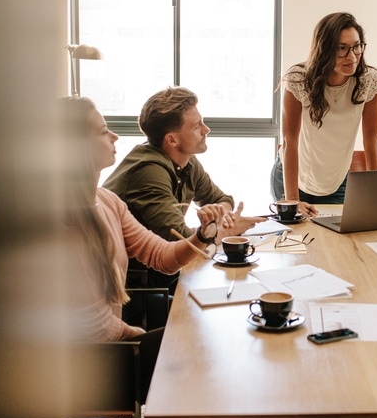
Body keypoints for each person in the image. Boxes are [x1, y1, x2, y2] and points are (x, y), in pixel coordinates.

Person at [63, 96, 288, 418]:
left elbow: (162, 257)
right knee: (200, 351)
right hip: (85, 367)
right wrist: (141, 338)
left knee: (209, 341)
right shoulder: (55, 218)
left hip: (116, 344)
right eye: (104, 131)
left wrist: (202, 235)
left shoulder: (106, 202)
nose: (115, 138)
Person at [103, 86, 264, 299]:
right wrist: (226, 232)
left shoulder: (185, 160)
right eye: (197, 126)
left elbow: (221, 199)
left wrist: (221, 216)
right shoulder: (148, 172)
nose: (206, 130)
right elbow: (185, 242)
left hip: (163, 271)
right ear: (172, 140)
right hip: (132, 288)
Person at [272, 12, 377, 216]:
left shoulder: (369, 81)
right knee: (294, 243)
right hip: (291, 178)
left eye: (357, 46)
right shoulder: (298, 79)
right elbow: (289, 141)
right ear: (324, 49)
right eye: (342, 48)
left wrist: (375, 197)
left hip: (337, 181)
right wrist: (292, 199)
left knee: (338, 243)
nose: (352, 57)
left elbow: (372, 143)